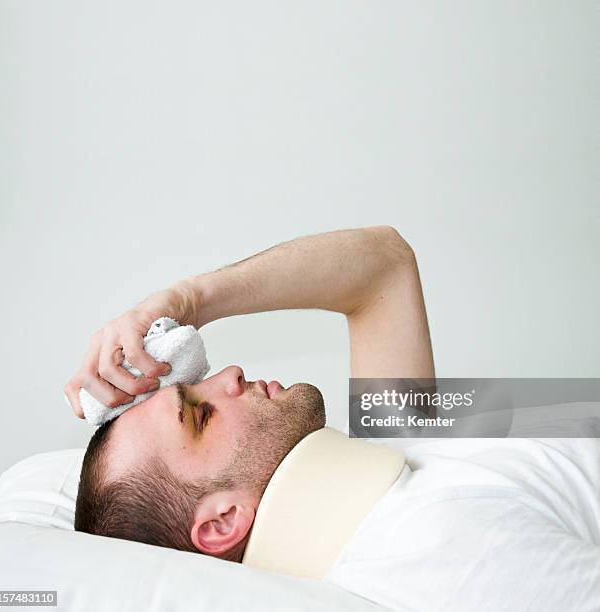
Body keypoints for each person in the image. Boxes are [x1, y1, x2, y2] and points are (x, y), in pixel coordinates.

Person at [66, 226, 599, 611]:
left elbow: (383, 266)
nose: (227, 373)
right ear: (223, 522)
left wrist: (186, 300)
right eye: (199, 415)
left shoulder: (392, 448)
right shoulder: (439, 555)